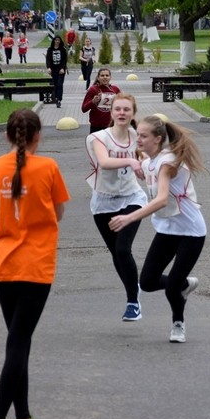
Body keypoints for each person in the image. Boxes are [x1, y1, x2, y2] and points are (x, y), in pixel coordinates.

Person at [0, 108, 69, 419]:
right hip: (36, 265)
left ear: (7, 135)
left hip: (5, 262)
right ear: (38, 136)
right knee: (19, 343)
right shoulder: (48, 167)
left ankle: (23, 418)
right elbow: (59, 212)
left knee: (18, 341)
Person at [108, 115, 206, 342]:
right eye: (137, 135)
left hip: (191, 232)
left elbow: (161, 199)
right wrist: (138, 163)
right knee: (148, 282)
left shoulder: (168, 163)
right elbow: (142, 159)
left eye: (143, 136)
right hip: (168, 229)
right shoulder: (149, 160)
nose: (138, 139)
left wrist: (128, 218)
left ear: (158, 139)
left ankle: (178, 324)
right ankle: (185, 284)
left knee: (171, 288)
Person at [85, 93, 146, 321]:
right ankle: (133, 287)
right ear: (110, 112)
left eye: (126, 110)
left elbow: (150, 158)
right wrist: (132, 161)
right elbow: (104, 162)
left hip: (132, 198)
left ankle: (133, 301)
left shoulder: (137, 136)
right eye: (118, 109)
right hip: (103, 201)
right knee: (116, 253)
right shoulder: (98, 138)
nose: (122, 113)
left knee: (123, 249)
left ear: (133, 113)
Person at [81, 68, 120, 134]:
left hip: (111, 125)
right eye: (102, 76)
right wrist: (93, 102)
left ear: (110, 77)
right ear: (98, 78)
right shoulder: (93, 89)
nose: (105, 77)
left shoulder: (115, 89)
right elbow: (84, 108)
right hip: (96, 126)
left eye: (107, 75)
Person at [45, 35, 68, 108]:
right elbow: (48, 59)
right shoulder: (50, 49)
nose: (57, 41)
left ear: (60, 41)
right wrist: (48, 68)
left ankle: (59, 100)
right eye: (56, 40)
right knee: (55, 84)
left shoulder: (63, 50)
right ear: (54, 41)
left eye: (58, 40)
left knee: (59, 84)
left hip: (60, 70)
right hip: (53, 69)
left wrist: (63, 68)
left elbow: (64, 60)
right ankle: (55, 97)